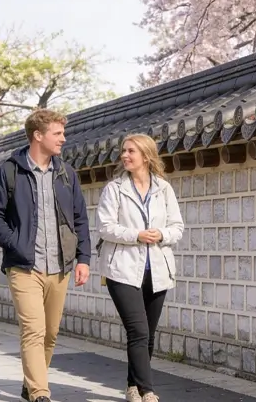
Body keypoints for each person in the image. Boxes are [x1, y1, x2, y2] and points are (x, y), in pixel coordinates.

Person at [0, 108, 91, 402]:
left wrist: (83, 258)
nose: (63, 139)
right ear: (38, 136)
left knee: (50, 333)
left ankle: (31, 382)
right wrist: (16, 245)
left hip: (60, 267)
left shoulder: (66, 174)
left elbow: (80, 218)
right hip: (24, 267)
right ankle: (41, 393)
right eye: (58, 134)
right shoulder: (9, 171)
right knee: (33, 329)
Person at [95, 134, 185, 402]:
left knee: (148, 334)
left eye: (130, 151)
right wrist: (137, 234)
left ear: (146, 156)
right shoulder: (114, 189)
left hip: (157, 271)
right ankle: (147, 391)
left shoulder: (163, 189)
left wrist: (161, 234)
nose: (124, 155)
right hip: (122, 270)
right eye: (123, 150)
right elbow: (105, 227)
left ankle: (132, 385)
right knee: (138, 330)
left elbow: (177, 227)